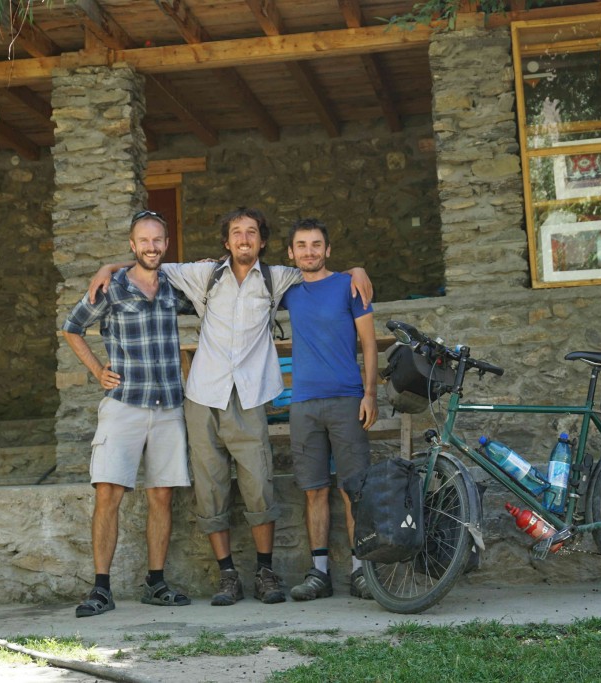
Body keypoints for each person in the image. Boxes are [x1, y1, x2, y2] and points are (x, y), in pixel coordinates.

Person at [88, 207, 372, 607]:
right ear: (226, 241)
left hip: (251, 395)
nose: (244, 239)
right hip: (203, 396)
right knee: (210, 489)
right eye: (236, 233)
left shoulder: (279, 277)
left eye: (251, 233)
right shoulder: (204, 274)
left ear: (263, 241)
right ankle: (227, 576)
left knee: (259, 487)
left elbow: (320, 271)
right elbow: (151, 262)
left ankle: (264, 571)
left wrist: (356, 270)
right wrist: (109, 266)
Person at [62, 210, 193, 617]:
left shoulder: (177, 286)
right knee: (108, 493)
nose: (151, 247)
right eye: (143, 240)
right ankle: (101, 588)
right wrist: (98, 370)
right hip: (124, 406)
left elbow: (215, 280)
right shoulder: (112, 287)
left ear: (165, 245)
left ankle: (156, 583)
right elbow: (72, 327)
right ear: (132, 245)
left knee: (162, 496)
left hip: (169, 404)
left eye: (158, 240)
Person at [280, 218, 378, 601]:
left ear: (328, 249)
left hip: (347, 399)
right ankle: (319, 574)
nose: (309, 251)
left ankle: (361, 571)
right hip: (303, 403)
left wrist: (369, 394)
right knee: (313, 490)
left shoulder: (349, 285)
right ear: (290, 253)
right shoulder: (287, 290)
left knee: (353, 489)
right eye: (301, 245)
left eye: (316, 244)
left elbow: (369, 345)